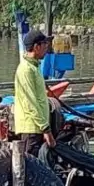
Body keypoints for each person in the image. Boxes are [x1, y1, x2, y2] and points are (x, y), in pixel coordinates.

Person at [13, 29, 57, 157]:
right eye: (44, 44)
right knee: (30, 166)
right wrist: (46, 129)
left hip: (37, 127)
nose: (47, 47)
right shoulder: (26, 70)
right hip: (31, 127)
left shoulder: (35, 67)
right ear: (36, 47)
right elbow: (30, 103)